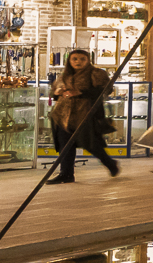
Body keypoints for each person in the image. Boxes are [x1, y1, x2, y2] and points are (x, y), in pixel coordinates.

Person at [46, 48, 119, 183]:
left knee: (91, 144)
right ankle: (66, 174)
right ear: (69, 60)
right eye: (74, 59)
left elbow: (105, 90)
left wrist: (80, 93)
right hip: (63, 117)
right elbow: (54, 93)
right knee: (65, 145)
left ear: (88, 60)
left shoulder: (95, 74)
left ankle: (110, 164)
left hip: (85, 115)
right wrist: (57, 92)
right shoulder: (65, 76)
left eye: (82, 59)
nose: (78, 62)